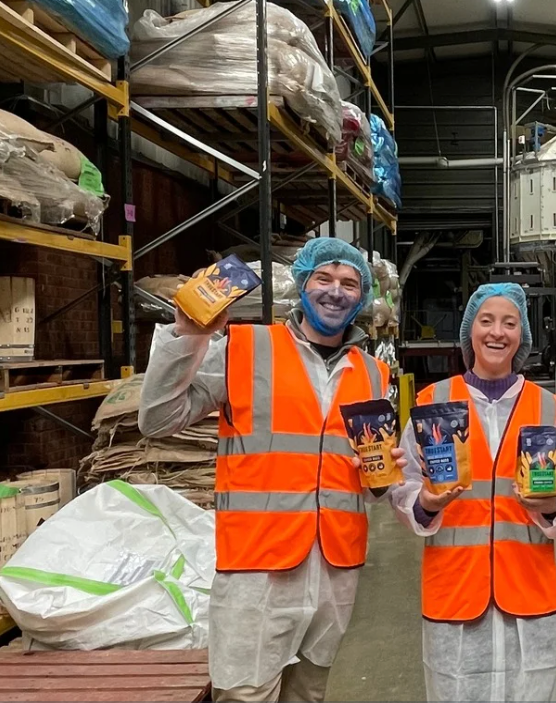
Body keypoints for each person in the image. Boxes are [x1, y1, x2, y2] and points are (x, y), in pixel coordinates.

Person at [139, 238, 392, 703]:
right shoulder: (246, 348)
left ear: (362, 297)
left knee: (310, 694)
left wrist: (386, 475)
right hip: (256, 569)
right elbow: (157, 419)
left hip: (336, 566)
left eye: (349, 283)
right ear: (302, 284)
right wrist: (189, 336)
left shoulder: (374, 373)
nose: (336, 292)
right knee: (245, 694)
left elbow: (368, 478)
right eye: (324, 278)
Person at [390, 282, 556, 701]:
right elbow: (402, 488)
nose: (497, 332)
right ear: (469, 332)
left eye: (509, 323)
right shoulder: (434, 402)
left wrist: (553, 507)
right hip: (455, 596)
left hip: (529, 595)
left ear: (522, 336)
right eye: (486, 321)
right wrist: (424, 504)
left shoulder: (550, 408)